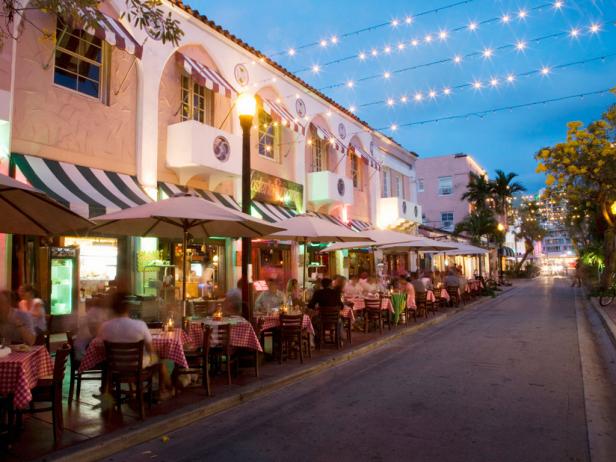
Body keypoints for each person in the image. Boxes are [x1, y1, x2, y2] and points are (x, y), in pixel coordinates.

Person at [99, 292, 173, 397]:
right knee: (161, 363)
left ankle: (120, 389)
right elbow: (150, 349)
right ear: (128, 309)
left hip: (114, 367)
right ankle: (167, 390)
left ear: (113, 310)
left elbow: (100, 347)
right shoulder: (140, 325)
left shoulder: (105, 327)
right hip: (137, 366)